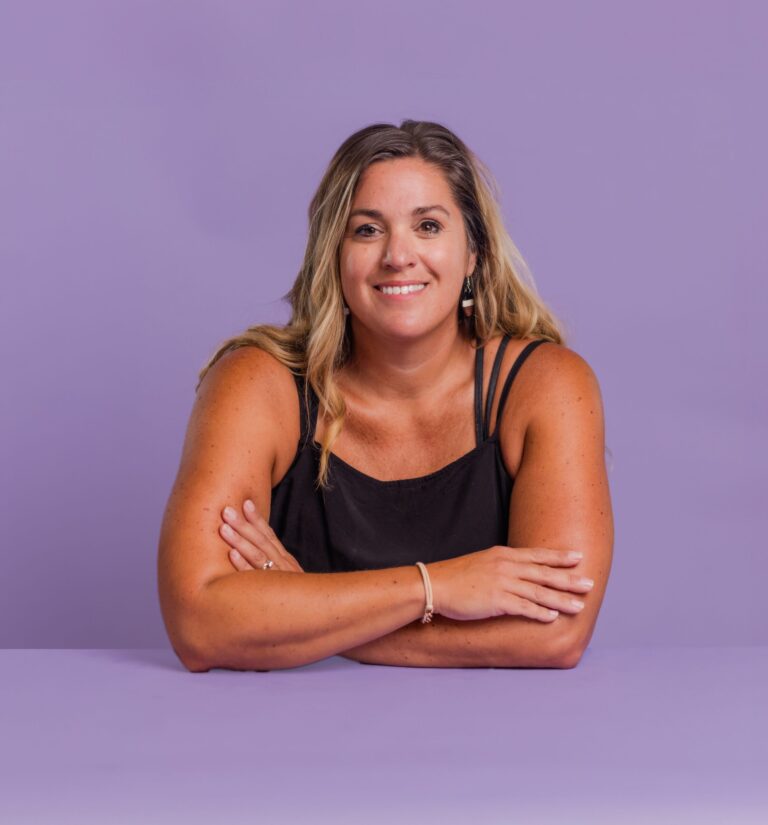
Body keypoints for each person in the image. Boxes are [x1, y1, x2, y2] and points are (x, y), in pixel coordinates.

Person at [157, 120, 614, 673]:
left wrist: (312, 614)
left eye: (427, 225)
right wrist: (436, 586)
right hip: (283, 739)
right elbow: (198, 624)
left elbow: (557, 634)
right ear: (335, 254)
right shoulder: (259, 385)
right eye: (367, 230)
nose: (399, 255)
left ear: (473, 253)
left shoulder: (546, 387)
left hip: (495, 743)